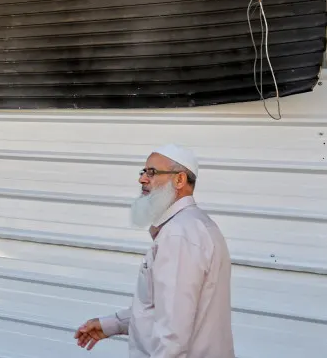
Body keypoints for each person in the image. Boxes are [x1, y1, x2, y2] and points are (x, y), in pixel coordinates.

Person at [75, 144, 234, 357]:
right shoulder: (192, 225)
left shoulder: (179, 234)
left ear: (179, 180)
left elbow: (173, 333)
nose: (142, 179)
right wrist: (112, 324)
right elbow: (163, 310)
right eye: (143, 172)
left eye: (152, 172)